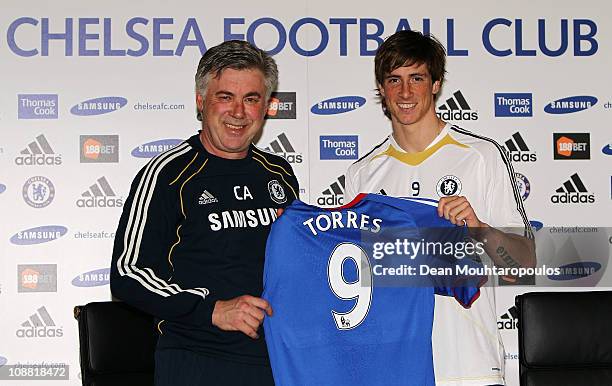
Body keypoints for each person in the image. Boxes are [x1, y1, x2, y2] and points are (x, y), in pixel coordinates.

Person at [344, 30, 535, 386]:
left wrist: (478, 228)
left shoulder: (482, 156)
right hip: (395, 368)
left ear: (435, 84)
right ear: (382, 90)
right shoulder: (362, 174)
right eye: (394, 80)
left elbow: (521, 267)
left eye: (417, 78)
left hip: (469, 367)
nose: (405, 92)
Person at [110, 40, 299, 386]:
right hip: (197, 360)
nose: (238, 112)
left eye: (251, 99)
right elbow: (128, 273)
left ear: (267, 106)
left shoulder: (279, 173)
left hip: (278, 361)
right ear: (201, 102)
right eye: (225, 96)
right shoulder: (168, 174)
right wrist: (212, 310)